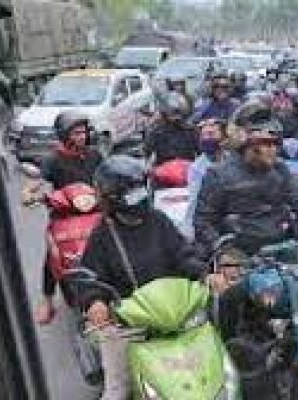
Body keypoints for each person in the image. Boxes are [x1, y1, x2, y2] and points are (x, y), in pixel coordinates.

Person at [78, 155, 216, 400]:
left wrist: (206, 275)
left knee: (215, 370)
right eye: (132, 193)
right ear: (112, 198)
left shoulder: (159, 221)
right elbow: (90, 278)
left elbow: (183, 255)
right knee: (117, 391)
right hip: (128, 325)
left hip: (176, 316)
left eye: (141, 189)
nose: (139, 197)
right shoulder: (102, 235)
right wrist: (95, 302)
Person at [194, 100, 298, 256]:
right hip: (240, 253)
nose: (273, 150)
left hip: (282, 247)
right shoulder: (218, 175)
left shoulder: (280, 168)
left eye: (276, 144)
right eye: (266, 143)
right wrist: (223, 251)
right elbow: (203, 222)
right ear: (246, 146)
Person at [28, 111, 103, 325]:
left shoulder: (94, 155)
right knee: (52, 256)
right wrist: (29, 191)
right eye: (76, 133)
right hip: (64, 214)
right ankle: (47, 300)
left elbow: (106, 173)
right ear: (64, 135)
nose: (82, 137)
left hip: (94, 210)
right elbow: (39, 180)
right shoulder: (53, 159)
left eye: (83, 132)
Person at [182, 118, 228, 240]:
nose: (206, 139)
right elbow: (194, 202)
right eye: (204, 135)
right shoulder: (197, 168)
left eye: (211, 134)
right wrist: (188, 231)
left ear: (224, 138)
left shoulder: (232, 159)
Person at [143, 91, 198, 164]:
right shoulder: (156, 132)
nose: (176, 117)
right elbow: (147, 152)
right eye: (173, 113)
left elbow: (200, 152)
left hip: (186, 167)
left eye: (178, 113)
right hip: (164, 168)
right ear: (165, 114)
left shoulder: (190, 130)